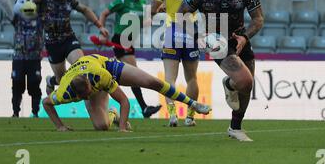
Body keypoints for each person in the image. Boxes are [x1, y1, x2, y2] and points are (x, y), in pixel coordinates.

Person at [177, 0, 264, 142]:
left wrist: (245, 37)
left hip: (240, 39)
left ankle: (235, 128)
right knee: (245, 81)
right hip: (216, 42)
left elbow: (258, 19)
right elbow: (181, 13)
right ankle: (231, 83)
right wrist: (198, 35)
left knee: (246, 86)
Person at [43, 54, 212, 131]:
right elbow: (46, 103)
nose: (89, 95)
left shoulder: (100, 76)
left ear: (89, 83)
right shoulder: (65, 93)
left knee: (152, 82)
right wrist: (60, 126)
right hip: (87, 79)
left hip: (104, 66)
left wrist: (123, 128)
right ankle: (112, 114)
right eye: (86, 96)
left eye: (89, 91)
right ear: (78, 97)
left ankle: (193, 103)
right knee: (101, 126)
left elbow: (124, 100)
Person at [29, 0, 105, 96]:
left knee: (81, 67)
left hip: (69, 40)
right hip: (52, 44)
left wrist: (99, 25)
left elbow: (85, 9)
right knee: (61, 79)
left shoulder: (69, 0)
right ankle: (51, 81)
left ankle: (88, 97)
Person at [99, 0, 162, 118]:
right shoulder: (122, 0)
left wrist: (156, 12)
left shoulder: (143, 3)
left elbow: (145, 23)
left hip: (130, 41)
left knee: (115, 74)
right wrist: (101, 29)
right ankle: (144, 107)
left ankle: (101, 95)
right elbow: (104, 13)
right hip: (121, 39)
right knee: (134, 73)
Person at [151, 0, 201, 127]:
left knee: (170, 79)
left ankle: (172, 115)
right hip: (190, 30)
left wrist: (162, 9)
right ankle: (190, 117)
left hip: (172, 30)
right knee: (192, 78)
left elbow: (152, 9)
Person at [0, 0, 44, 118]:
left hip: (34, 59)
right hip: (19, 59)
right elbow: (8, 8)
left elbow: (45, 7)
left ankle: (35, 112)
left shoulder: (40, 21)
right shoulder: (17, 20)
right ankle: (15, 112)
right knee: (17, 85)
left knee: (34, 85)